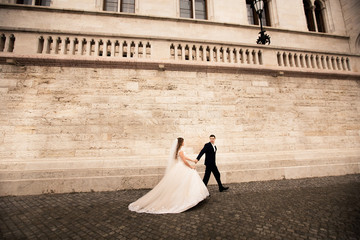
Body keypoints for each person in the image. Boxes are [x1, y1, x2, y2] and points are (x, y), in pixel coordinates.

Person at [128, 137, 209, 214]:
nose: (184, 142)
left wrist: (193, 160)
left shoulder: (179, 150)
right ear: (181, 142)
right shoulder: (180, 151)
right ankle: (186, 198)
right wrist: (191, 166)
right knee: (187, 179)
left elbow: (184, 157)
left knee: (183, 182)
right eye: (183, 141)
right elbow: (184, 161)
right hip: (182, 166)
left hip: (179, 166)